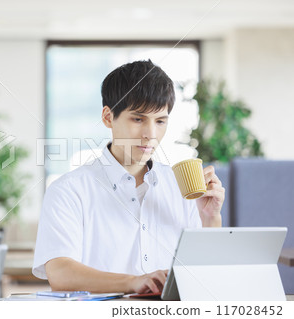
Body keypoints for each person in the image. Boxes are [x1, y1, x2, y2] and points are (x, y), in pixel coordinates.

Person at [32, 60, 225, 294]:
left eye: (160, 121)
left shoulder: (180, 187)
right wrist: (134, 282)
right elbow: (60, 273)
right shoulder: (68, 190)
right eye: (138, 119)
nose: (150, 135)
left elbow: (209, 278)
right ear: (107, 117)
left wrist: (210, 218)